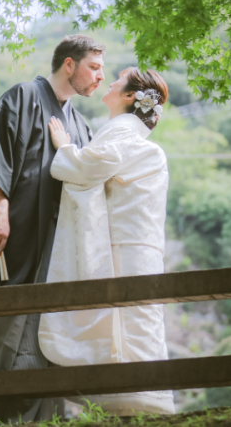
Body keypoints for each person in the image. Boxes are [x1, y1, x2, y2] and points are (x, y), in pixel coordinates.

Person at [0, 35, 105, 426]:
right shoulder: (23, 97)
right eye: (94, 67)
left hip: (57, 247)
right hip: (14, 240)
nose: (100, 76)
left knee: (44, 330)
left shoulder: (80, 126)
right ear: (69, 64)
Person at [38, 67, 175, 416]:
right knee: (137, 320)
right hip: (137, 244)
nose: (109, 81)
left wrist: (66, 148)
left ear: (130, 97)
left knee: (128, 319)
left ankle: (132, 402)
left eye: (117, 80)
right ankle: (142, 401)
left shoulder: (124, 137)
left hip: (124, 245)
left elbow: (88, 169)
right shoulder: (130, 138)